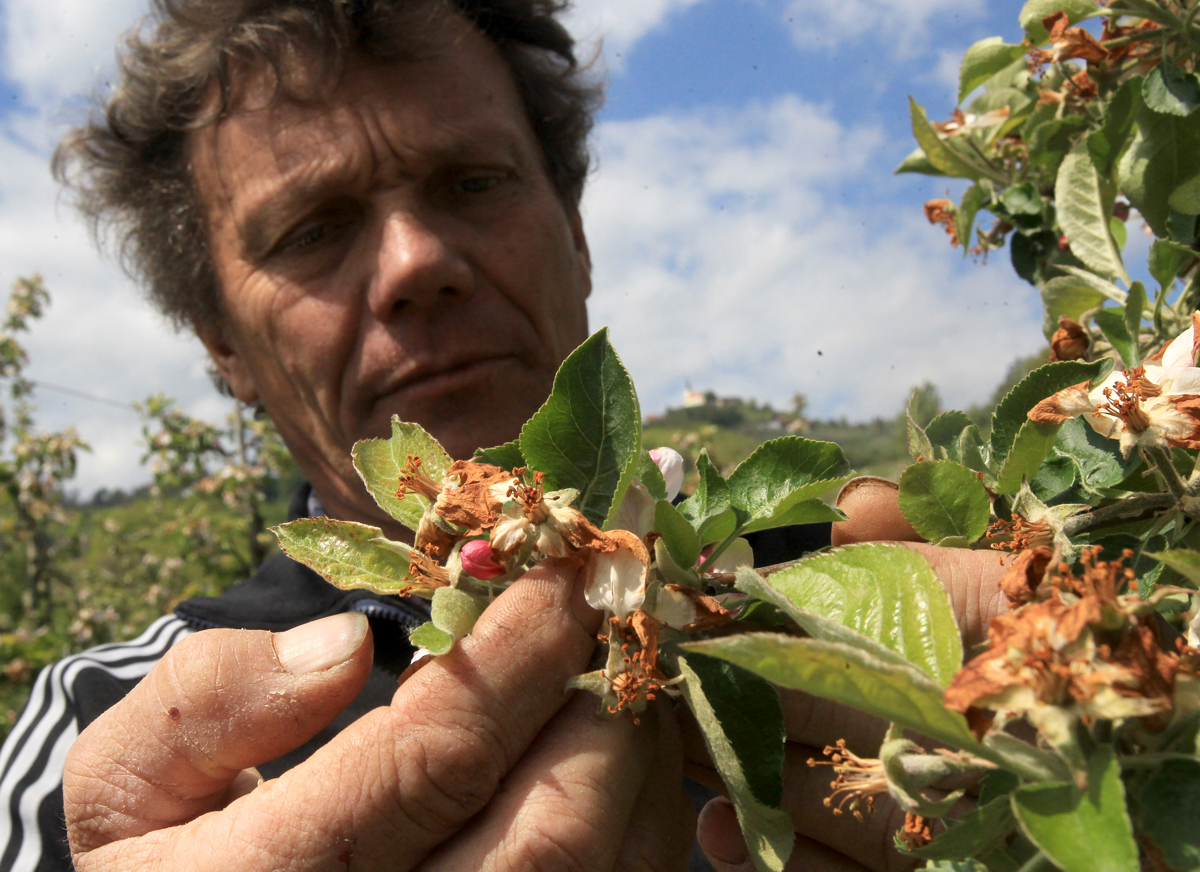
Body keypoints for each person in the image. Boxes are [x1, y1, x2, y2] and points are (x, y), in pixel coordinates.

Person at [0, 1, 1010, 870]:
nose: (416, 260)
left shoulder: (847, 576)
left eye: (472, 181)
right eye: (313, 227)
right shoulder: (110, 731)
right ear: (224, 343)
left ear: (576, 234)